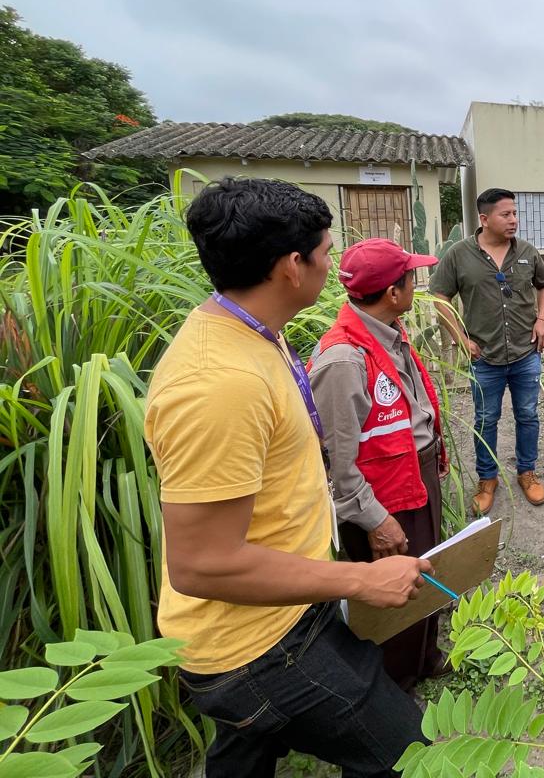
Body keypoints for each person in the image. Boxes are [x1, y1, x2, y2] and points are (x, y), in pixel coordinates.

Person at [145, 177, 430, 777]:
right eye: (327, 252)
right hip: (260, 646)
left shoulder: (250, 333)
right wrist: (360, 580)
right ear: (291, 267)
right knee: (413, 757)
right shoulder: (220, 385)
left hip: (276, 609)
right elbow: (201, 564)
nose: (335, 266)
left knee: (246, 748)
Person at [310, 237, 451, 691]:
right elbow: (337, 463)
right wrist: (374, 520)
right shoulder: (342, 360)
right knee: (395, 593)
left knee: (423, 572)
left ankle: (424, 657)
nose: (416, 283)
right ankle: (396, 683)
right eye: (411, 277)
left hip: (411, 477)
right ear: (393, 292)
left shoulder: (386, 332)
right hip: (384, 498)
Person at [431, 188, 544, 514]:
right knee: (486, 419)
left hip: (526, 352)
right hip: (484, 356)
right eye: (506, 214)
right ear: (485, 219)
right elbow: (439, 296)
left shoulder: (526, 251)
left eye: (515, 213)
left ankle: (526, 472)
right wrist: (460, 337)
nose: (514, 220)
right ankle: (487, 480)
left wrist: (542, 319)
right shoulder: (459, 255)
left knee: (528, 415)